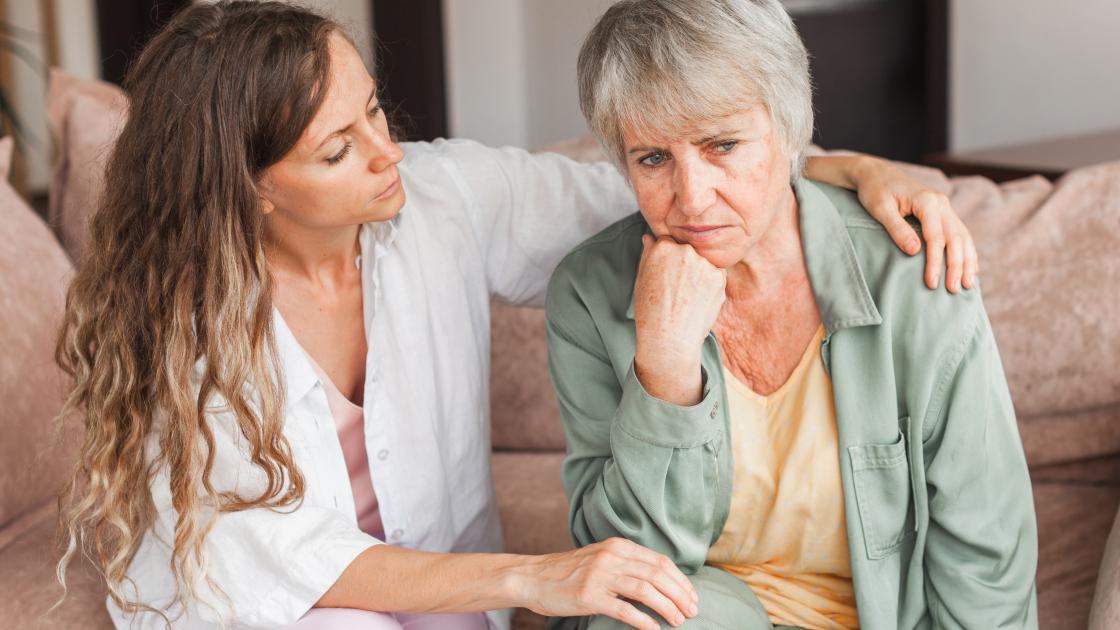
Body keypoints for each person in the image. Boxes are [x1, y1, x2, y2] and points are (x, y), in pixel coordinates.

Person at [54, 2, 980, 629]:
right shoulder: (179, 322)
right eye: (339, 149)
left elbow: (668, 189)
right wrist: (531, 574)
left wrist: (850, 169)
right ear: (249, 190)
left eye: (376, 112)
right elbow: (275, 559)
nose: (388, 154)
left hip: (450, 602)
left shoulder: (439, 198)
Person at [545, 0, 1037, 628]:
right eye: (652, 159)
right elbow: (621, 566)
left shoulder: (915, 272)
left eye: (722, 145)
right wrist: (664, 368)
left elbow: (985, 548)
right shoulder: (588, 293)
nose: (692, 199)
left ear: (789, 130)